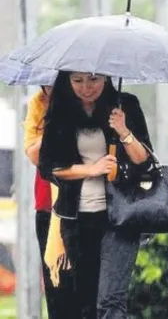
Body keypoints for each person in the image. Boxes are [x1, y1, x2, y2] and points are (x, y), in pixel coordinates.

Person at [39, 71, 152, 318]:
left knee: (111, 298)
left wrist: (123, 131)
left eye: (94, 80)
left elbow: (144, 161)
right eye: (77, 81)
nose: (86, 88)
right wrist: (91, 169)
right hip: (77, 220)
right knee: (87, 298)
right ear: (67, 82)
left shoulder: (125, 105)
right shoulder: (61, 112)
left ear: (107, 78)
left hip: (118, 218)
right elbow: (48, 167)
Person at [22, 85, 74, 317]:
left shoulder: (91, 101)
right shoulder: (38, 103)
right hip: (48, 206)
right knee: (56, 290)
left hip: (86, 206)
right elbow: (34, 154)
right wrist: (54, 123)